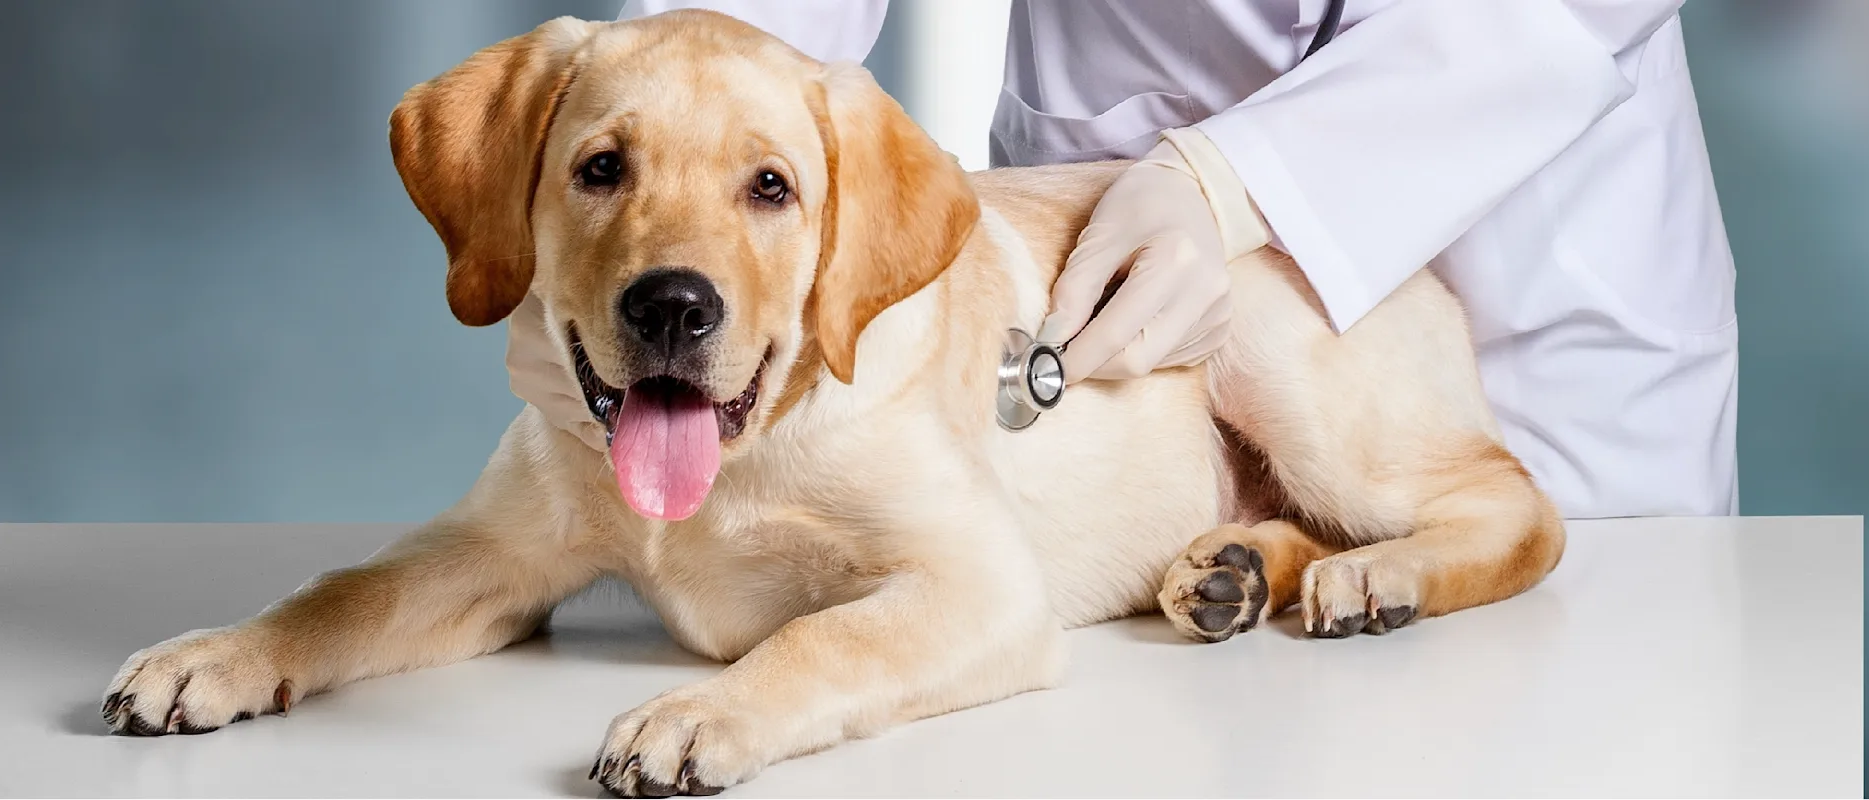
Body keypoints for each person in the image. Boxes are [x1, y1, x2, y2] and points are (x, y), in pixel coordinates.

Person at [508, 0, 1739, 518]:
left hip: (1541, 303)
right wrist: (673, 204)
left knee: (1565, 709)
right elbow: (745, 43)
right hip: (1118, 386)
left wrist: (1239, 178)